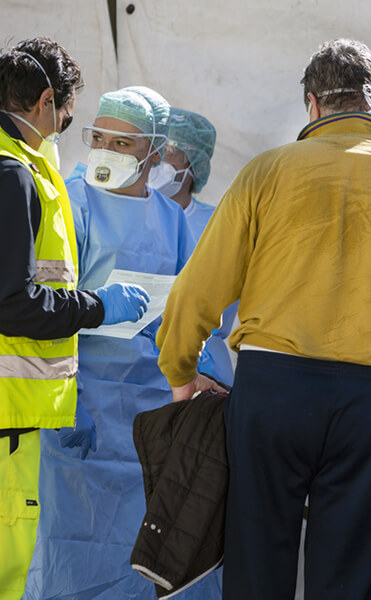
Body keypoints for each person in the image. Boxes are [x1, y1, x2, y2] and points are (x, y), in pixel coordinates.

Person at [155, 38, 371, 600]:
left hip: (272, 388)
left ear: (313, 104)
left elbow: (197, 290)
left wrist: (180, 371)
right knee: (348, 573)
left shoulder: (266, 172)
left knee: (257, 563)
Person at [22, 86, 216, 600]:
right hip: (81, 401)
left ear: (154, 151)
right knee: (73, 547)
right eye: (99, 137)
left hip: (149, 415)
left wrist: (196, 368)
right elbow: (42, 305)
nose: (106, 151)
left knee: (140, 550)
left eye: (123, 143)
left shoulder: (174, 221)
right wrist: (67, 401)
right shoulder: (70, 201)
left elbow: (188, 315)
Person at [0, 38, 149, 600]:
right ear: (44, 102)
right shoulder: (15, 175)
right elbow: (13, 301)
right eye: (67, 117)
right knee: (9, 567)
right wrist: (97, 306)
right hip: (7, 414)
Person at [149, 107, 237, 387]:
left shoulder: (219, 223)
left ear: (193, 163)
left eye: (169, 150)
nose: (157, 158)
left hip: (204, 365)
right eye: (155, 145)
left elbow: (221, 305)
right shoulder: (130, 215)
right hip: (136, 365)